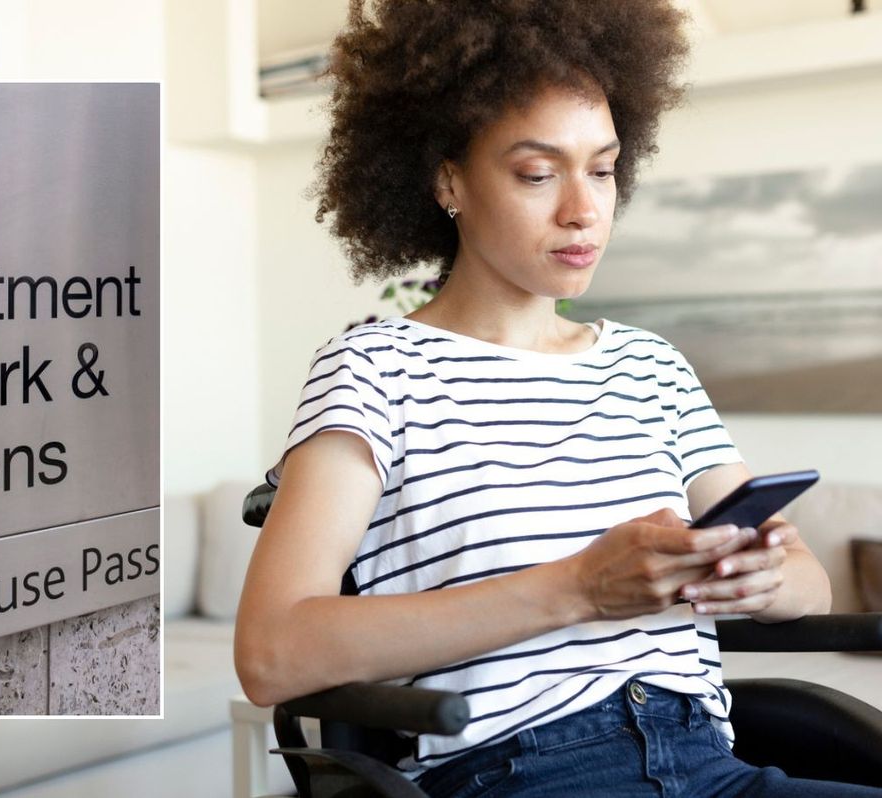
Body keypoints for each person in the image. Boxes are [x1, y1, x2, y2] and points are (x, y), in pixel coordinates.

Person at [233, 2, 878, 796]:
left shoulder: (653, 367)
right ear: (448, 180)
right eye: (538, 173)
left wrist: (757, 582)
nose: (584, 208)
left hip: (714, 764)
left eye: (602, 169)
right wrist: (576, 588)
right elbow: (271, 652)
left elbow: (807, 579)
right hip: (522, 773)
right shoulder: (374, 369)